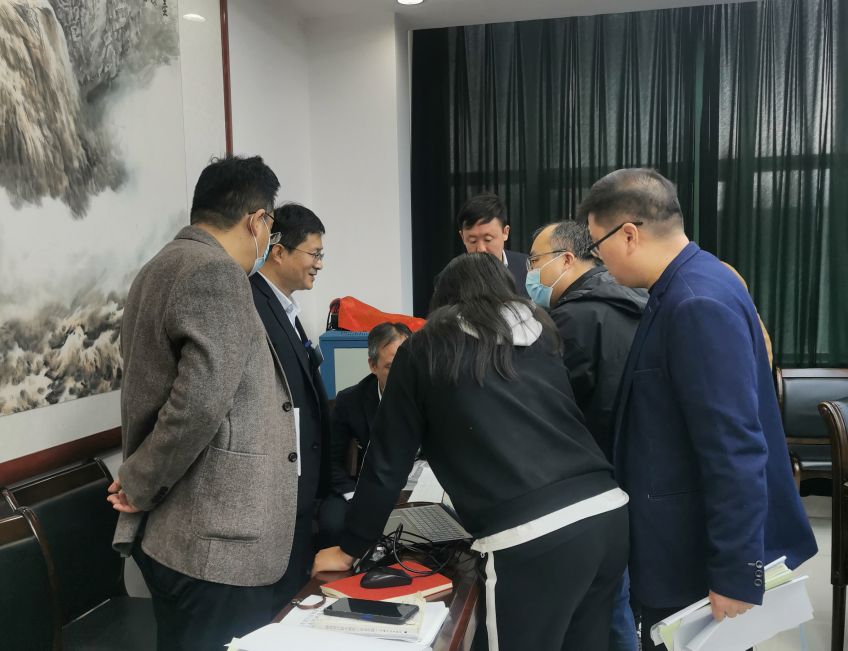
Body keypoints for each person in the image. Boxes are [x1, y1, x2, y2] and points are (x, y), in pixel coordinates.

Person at [314, 253, 630, 650]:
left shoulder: (427, 348)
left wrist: (351, 548)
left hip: (532, 536)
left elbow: (386, 463)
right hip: (607, 514)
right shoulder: (542, 337)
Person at [577, 168, 817, 650]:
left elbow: (734, 446)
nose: (597, 260)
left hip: (694, 558)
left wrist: (734, 571)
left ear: (628, 234)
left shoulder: (695, 301)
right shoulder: (691, 282)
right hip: (684, 545)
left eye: (597, 245)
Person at [108, 156, 299, 650]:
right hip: (215, 543)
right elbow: (198, 404)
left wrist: (140, 479)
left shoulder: (158, 267)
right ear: (256, 220)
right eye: (271, 225)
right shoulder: (216, 273)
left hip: (182, 535)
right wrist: (139, 482)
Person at [527, 220, 646, 651]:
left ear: (566, 259)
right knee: (620, 601)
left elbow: (548, 410)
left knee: (603, 607)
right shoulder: (633, 299)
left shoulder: (572, 319)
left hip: (589, 483)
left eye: (535, 261)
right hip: (634, 471)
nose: (530, 273)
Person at [250, 202, 331, 609]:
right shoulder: (252, 303)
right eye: (314, 254)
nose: (319, 264)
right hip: (274, 492)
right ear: (278, 251)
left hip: (300, 488)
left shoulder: (286, 309)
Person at [317, 322, 412, 548]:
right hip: (364, 484)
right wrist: (353, 496)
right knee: (332, 525)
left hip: (415, 485)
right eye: (390, 366)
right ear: (373, 365)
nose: (401, 374)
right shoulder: (350, 401)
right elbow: (330, 461)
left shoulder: (430, 395)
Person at [438, 192, 529, 297]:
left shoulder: (528, 268)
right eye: (473, 241)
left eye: (488, 239)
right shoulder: (450, 278)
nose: (481, 249)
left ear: (505, 232)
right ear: (462, 237)